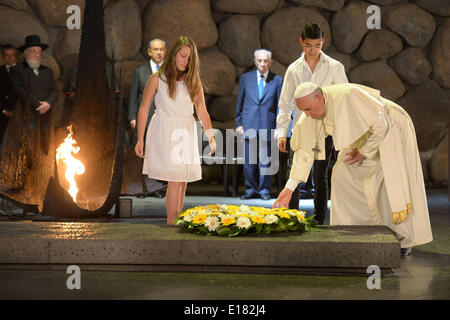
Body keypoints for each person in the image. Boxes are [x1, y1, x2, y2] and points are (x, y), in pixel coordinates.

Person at [273, 82, 433, 255]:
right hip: (362, 137)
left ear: (319, 98)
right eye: (303, 111)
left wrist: (364, 151)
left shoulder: (349, 95)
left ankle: (400, 240)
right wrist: (289, 189)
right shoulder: (311, 113)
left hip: (391, 128)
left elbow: (381, 124)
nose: (307, 115)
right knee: (342, 175)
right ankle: (351, 233)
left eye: (308, 109)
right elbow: (304, 152)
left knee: (388, 182)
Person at [135, 36, 216, 225]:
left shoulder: (193, 82)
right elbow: (144, 108)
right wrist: (140, 139)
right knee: (174, 178)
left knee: (182, 180)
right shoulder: (157, 79)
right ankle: (172, 221)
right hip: (165, 130)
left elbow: (201, 110)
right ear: (174, 55)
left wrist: (211, 136)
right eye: (182, 56)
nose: (185, 61)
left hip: (185, 130)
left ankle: (177, 218)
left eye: (189, 59)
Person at [277, 23, 348, 224]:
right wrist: (282, 132)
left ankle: (319, 217)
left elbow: (343, 98)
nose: (313, 50)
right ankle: (293, 217)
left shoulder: (335, 67)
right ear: (301, 42)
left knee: (320, 175)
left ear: (323, 42)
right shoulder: (293, 69)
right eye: (308, 45)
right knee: (296, 173)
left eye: (317, 45)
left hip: (325, 129)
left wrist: (340, 133)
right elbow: (284, 102)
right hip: (300, 129)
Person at [235, 49, 283, 200]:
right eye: (260, 61)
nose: (262, 64)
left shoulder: (277, 80)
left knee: (265, 161)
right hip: (249, 125)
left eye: (266, 61)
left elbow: (279, 107)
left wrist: (278, 128)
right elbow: (240, 103)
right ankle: (250, 189)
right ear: (255, 61)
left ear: (270, 62)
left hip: (267, 126)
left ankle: (264, 191)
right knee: (249, 161)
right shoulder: (246, 78)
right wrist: (239, 123)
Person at [128, 38, 167, 198]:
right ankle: (142, 187)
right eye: (155, 49)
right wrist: (132, 117)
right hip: (145, 119)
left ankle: (157, 187)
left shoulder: (171, 70)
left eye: (161, 49)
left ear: (165, 51)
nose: (158, 52)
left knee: (161, 154)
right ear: (149, 52)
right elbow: (133, 97)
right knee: (143, 154)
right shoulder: (140, 71)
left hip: (165, 119)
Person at [9, 35, 58, 155]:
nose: (37, 55)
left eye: (39, 52)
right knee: (28, 147)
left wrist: (48, 103)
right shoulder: (17, 70)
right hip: (28, 114)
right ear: (26, 52)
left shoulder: (47, 71)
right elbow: (19, 90)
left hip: (46, 116)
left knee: (46, 147)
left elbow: (55, 91)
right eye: (34, 51)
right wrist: (38, 105)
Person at [0, 44, 18, 146]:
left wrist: (18, 111)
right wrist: (4, 110)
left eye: (12, 55)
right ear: (3, 57)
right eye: (7, 55)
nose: (10, 58)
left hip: (20, 113)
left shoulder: (24, 72)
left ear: (15, 56)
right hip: (2, 114)